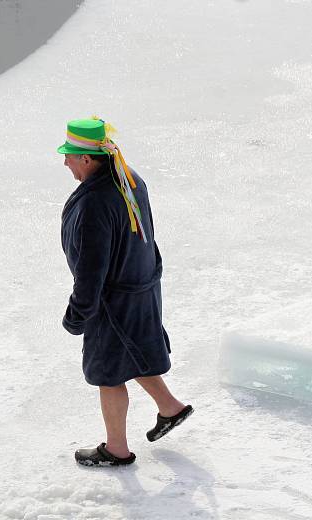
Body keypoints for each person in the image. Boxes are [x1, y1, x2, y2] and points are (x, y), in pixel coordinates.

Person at [58, 118, 193, 467]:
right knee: (132, 353)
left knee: (109, 374)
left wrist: (79, 312)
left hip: (112, 302)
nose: (65, 162)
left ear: (87, 159)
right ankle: (170, 407)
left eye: (70, 155)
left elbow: (92, 268)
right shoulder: (128, 177)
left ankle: (116, 449)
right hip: (140, 288)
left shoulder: (94, 204)